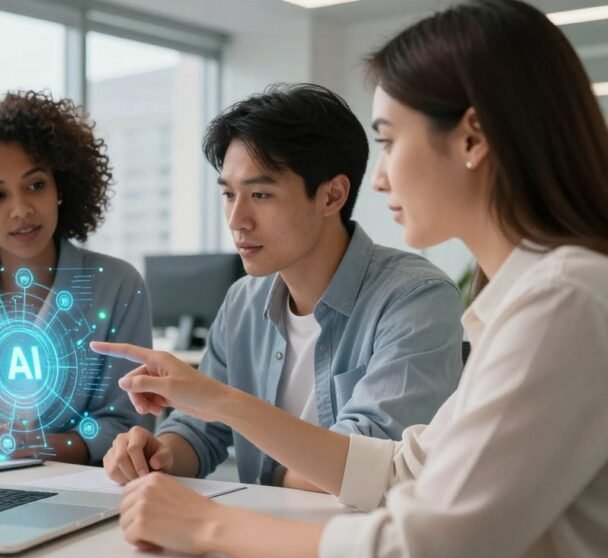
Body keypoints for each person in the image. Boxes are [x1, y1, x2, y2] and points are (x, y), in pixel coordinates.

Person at [91, 1, 608, 558]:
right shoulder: (528, 300)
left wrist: (208, 525)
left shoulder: (564, 300)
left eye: (389, 140)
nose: (380, 176)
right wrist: (206, 404)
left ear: (472, 138)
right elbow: (399, 470)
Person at [101, 83, 464, 488]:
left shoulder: (416, 298)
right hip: (261, 531)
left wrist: (222, 404)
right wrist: (160, 453)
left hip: (357, 541)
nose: (237, 219)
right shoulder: (243, 300)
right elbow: (200, 431)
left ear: (332, 196)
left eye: (260, 194)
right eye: (228, 195)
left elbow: (371, 466)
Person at [0, 90, 152, 465]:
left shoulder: (117, 285)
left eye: (35, 185)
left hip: (77, 489)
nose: (21, 210)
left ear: (59, 189)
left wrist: (47, 445)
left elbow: (131, 424)